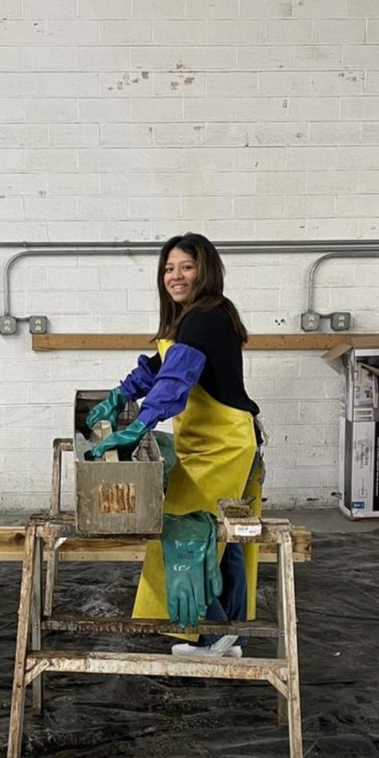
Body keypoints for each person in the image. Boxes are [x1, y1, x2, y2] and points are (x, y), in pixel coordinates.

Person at [85, 232, 263, 656]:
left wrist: (141, 423)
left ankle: (210, 631)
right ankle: (229, 626)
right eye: (169, 268)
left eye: (186, 266)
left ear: (206, 270)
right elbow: (159, 367)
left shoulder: (206, 317)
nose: (175, 275)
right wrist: (119, 396)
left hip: (220, 447)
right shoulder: (192, 319)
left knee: (185, 533)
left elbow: (176, 379)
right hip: (219, 442)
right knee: (219, 536)